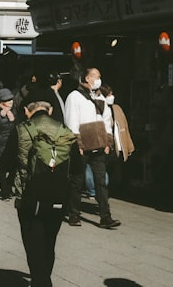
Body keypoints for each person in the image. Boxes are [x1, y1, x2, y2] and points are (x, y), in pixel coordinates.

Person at [13, 99, 77, 287]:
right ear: (50, 111)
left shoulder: (22, 128)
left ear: (27, 110)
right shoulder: (66, 131)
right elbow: (77, 169)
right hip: (59, 193)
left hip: (30, 195)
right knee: (50, 240)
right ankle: (44, 277)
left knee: (32, 241)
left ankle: (40, 280)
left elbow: (8, 159)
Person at [63, 67, 120, 229]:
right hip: (82, 144)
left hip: (99, 144)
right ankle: (73, 213)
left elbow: (106, 119)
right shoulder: (75, 97)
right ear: (87, 78)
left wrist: (108, 142)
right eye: (97, 76)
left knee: (101, 182)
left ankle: (105, 216)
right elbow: (71, 121)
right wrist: (77, 143)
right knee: (77, 180)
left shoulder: (100, 97)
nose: (99, 79)